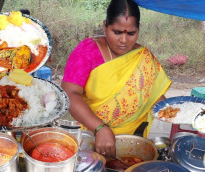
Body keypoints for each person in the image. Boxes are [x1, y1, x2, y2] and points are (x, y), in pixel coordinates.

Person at [61, 0, 171, 157]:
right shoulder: (87, 52)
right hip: (92, 138)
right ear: (105, 26)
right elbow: (69, 94)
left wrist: (177, 111)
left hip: (132, 142)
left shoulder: (143, 57)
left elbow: (153, 96)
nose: (124, 41)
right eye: (117, 32)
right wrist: (100, 128)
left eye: (131, 33)